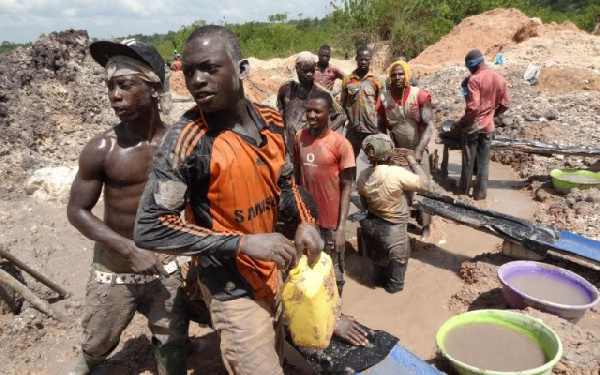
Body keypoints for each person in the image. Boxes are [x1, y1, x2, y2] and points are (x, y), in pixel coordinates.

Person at [134, 25, 323, 375]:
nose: (197, 80)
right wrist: (245, 243)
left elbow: (287, 181)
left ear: (241, 69)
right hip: (228, 284)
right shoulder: (187, 139)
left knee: (276, 352)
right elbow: (150, 227)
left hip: (273, 268)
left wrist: (305, 220)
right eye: (189, 71)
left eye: (209, 68)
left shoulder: (270, 120)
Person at [66, 40, 189, 375]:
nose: (114, 95)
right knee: (98, 341)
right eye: (110, 86)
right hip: (114, 266)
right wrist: (128, 249)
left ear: (153, 89)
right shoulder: (103, 148)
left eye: (124, 85)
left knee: (173, 341)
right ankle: (89, 362)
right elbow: (77, 211)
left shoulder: (180, 146)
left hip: (165, 265)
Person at [293, 90, 356, 297]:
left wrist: (341, 228)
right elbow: (296, 177)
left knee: (334, 274)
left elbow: (348, 187)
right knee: (308, 271)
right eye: (308, 110)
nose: (311, 115)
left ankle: (336, 315)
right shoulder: (299, 137)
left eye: (317, 111)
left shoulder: (341, 145)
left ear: (329, 113)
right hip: (307, 221)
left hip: (330, 224)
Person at [357, 135, 429, 293]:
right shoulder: (396, 173)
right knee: (396, 284)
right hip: (393, 231)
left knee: (378, 273)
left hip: (371, 228)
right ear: (391, 154)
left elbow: (364, 203)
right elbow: (425, 184)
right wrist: (411, 160)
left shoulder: (363, 175)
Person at [376, 60, 434, 240]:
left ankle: (426, 226)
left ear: (407, 75)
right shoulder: (384, 98)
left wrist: (418, 150)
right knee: (398, 189)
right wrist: (384, 151)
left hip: (418, 149)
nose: (397, 77)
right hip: (397, 152)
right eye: (393, 75)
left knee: (424, 188)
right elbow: (380, 127)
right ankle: (400, 224)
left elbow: (430, 126)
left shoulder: (420, 96)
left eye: (401, 74)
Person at [452, 49, 510, 200]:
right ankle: (480, 194)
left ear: (473, 65)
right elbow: (505, 104)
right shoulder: (499, 78)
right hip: (488, 127)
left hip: (472, 128)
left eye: (469, 68)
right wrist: (492, 114)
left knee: (468, 162)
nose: (469, 71)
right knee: (484, 162)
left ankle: (463, 192)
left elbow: (474, 108)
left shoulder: (475, 80)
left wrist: (460, 123)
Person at [277, 51, 345, 161]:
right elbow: (281, 109)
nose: (309, 74)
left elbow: (341, 115)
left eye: (312, 71)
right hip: (290, 146)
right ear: (297, 69)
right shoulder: (285, 89)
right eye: (305, 71)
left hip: (312, 147)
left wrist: (325, 133)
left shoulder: (322, 93)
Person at [341, 46, 384, 160]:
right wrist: (349, 119)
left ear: (370, 60)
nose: (363, 62)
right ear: (356, 59)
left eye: (366, 59)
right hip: (353, 130)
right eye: (361, 59)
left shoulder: (377, 80)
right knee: (348, 161)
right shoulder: (347, 79)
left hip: (371, 129)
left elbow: (381, 106)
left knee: (375, 162)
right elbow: (343, 103)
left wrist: (379, 127)